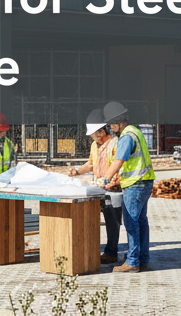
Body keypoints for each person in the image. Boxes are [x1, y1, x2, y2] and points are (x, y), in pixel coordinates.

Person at [100, 101, 154, 273]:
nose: (110, 127)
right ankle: (143, 259)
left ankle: (132, 262)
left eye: (111, 123)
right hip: (145, 182)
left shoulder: (126, 137)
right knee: (141, 222)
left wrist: (105, 178)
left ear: (118, 121)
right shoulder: (136, 131)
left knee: (131, 223)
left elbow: (119, 160)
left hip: (135, 185)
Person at [70, 109, 122, 264]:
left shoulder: (116, 143)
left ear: (101, 131)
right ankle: (92, 249)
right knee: (91, 218)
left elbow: (120, 164)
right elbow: (91, 163)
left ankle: (111, 252)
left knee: (113, 221)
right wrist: (77, 171)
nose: (93, 138)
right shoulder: (95, 145)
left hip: (113, 189)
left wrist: (113, 182)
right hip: (98, 188)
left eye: (93, 134)